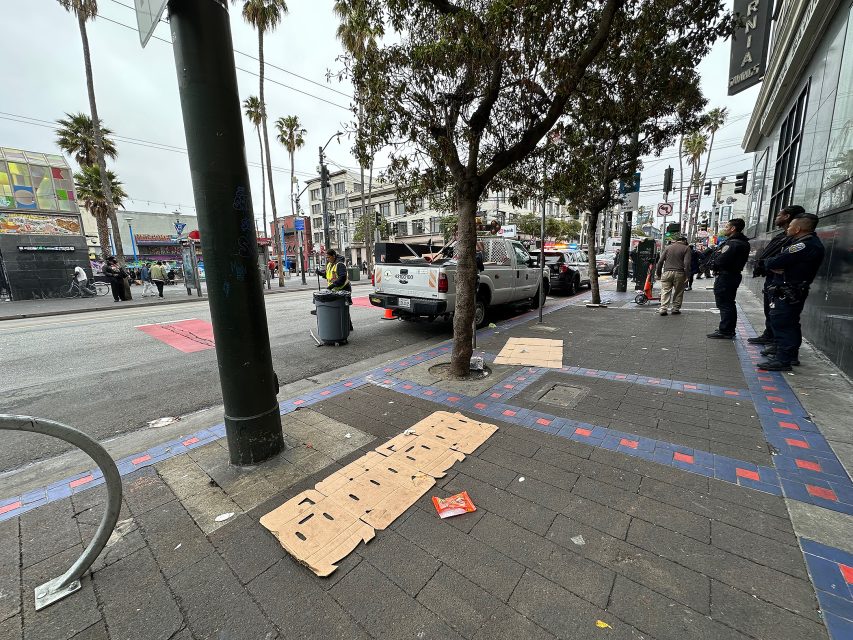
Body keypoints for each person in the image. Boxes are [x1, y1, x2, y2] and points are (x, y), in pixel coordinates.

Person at [756, 214, 825, 371]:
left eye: (790, 226)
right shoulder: (807, 243)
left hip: (790, 290)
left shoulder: (803, 245)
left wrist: (771, 264)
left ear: (798, 228)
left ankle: (783, 360)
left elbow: (774, 261)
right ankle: (788, 356)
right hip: (792, 288)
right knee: (788, 323)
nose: (788, 228)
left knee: (784, 323)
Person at [747, 205, 805, 347]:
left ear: (787, 218)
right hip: (774, 280)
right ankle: (771, 337)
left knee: (782, 317)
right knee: (772, 312)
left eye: (779, 215)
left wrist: (770, 263)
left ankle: (781, 349)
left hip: (786, 282)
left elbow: (781, 260)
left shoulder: (796, 241)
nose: (776, 218)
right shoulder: (781, 237)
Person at [707, 218, 750, 339]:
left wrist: (715, 263)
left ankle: (726, 330)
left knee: (725, 303)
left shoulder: (733, 243)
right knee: (727, 302)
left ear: (733, 228)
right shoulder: (740, 242)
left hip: (727, 276)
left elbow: (721, 260)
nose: (724, 229)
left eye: (726, 227)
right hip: (731, 275)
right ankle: (727, 328)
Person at [655, 237, 691, 316]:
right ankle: (675, 308)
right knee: (678, 291)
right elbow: (687, 264)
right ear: (684, 241)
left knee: (665, 290)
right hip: (679, 273)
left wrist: (658, 273)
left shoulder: (668, 248)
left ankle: (663, 308)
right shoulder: (686, 248)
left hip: (667, 272)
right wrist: (688, 275)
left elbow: (660, 261)